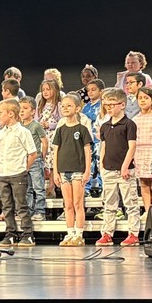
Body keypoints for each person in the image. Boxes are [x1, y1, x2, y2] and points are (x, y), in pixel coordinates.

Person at [95, 88, 140, 247]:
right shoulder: (105, 126)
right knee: (109, 203)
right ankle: (107, 233)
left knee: (130, 203)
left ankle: (133, 234)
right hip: (108, 169)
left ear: (122, 104)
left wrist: (125, 166)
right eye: (106, 105)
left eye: (112, 105)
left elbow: (132, 147)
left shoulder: (129, 124)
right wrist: (102, 165)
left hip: (125, 170)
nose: (109, 108)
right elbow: (104, 147)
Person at [0, 98, 38, 247]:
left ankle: (27, 234)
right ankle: (10, 234)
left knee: (21, 205)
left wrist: (24, 168)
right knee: (6, 206)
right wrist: (2, 166)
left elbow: (32, 153)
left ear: (11, 114)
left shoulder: (23, 132)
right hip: (3, 174)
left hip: (18, 174)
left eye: (0, 113)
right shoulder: (0, 133)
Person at [52, 94, 91, 246]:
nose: (65, 108)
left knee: (77, 203)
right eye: (63, 106)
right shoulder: (60, 130)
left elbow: (87, 151)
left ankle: (79, 234)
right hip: (63, 171)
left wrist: (87, 171)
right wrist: (56, 171)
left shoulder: (82, 129)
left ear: (77, 108)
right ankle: (70, 233)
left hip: (77, 171)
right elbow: (55, 151)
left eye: (69, 105)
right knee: (67, 204)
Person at [19, 97, 48, 222]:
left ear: (32, 111)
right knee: (27, 188)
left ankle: (40, 211)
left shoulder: (36, 126)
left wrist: (42, 156)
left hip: (35, 160)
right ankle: (29, 211)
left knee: (38, 187)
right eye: (20, 108)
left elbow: (44, 141)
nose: (21, 111)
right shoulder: (19, 126)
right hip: (23, 160)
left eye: (25, 108)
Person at [132, 87, 152, 215]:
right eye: (140, 98)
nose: (143, 101)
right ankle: (148, 211)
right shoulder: (135, 120)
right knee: (143, 183)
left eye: (146, 98)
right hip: (139, 152)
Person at [36, 77, 63, 196]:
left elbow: (62, 121)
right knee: (43, 161)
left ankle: (52, 186)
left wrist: (50, 125)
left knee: (52, 163)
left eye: (48, 89)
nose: (45, 92)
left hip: (53, 137)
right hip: (42, 137)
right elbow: (36, 119)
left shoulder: (58, 105)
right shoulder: (41, 105)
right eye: (43, 90)